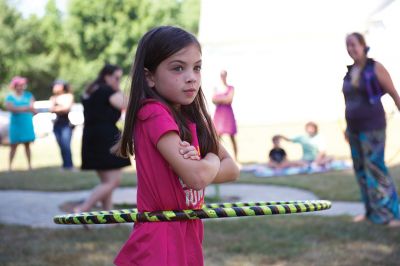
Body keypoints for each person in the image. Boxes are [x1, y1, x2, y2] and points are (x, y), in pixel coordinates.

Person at [112, 26, 239, 266]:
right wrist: (210, 160)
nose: (191, 76)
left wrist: (203, 164)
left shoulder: (195, 119)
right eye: (178, 68)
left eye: (197, 67)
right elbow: (197, 177)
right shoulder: (153, 113)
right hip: (159, 240)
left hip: (188, 232)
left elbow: (233, 170)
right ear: (149, 76)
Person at [343, 32, 400, 226]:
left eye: (353, 45)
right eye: (348, 46)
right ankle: (370, 212)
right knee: (360, 170)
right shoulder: (350, 72)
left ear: (363, 45)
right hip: (354, 128)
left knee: (376, 169)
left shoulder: (375, 67)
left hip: (373, 127)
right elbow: (348, 101)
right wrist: (346, 128)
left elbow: (394, 94)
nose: (351, 49)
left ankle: (392, 215)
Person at [74, 64, 131, 213]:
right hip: (105, 137)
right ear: (107, 76)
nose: (118, 81)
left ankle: (108, 215)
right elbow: (126, 104)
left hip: (91, 137)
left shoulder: (91, 90)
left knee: (106, 181)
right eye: (116, 78)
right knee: (113, 181)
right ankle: (83, 208)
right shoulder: (106, 90)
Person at [5, 76, 36, 171]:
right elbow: (10, 108)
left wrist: (18, 109)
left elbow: (31, 107)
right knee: (13, 145)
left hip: (26, 123)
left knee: (27, 145)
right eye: (18, 85)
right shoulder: (10, 97)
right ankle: (10, 166)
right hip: (15, 124)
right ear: (14, 86)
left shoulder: (29, 95)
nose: (20, 87)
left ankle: (30, 165)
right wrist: (25, 108)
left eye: (22, 85)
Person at [212, 70, 238, 160]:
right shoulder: (216, 88)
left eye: (224, 75)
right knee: (217, 137)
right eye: (221, 75)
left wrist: (219, 98)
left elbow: (229, 100)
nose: (223, 76)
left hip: (228, 114)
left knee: (232, 136)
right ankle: (217, 157)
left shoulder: (231, 87)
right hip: (219, 115)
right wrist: (224, 98)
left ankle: (236, 158)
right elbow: (213, 100)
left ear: (226, 76)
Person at [49, 80, 75, 170]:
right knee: (61, 145)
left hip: (66, 124)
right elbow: (51, 109)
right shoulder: (53, 97)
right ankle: (65, 164)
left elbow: (66, 109)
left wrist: (57, 108)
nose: (54, 87)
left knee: (66, 144)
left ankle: (69, 165)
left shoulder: (68, 96)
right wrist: (60, 108)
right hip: (57, 123)